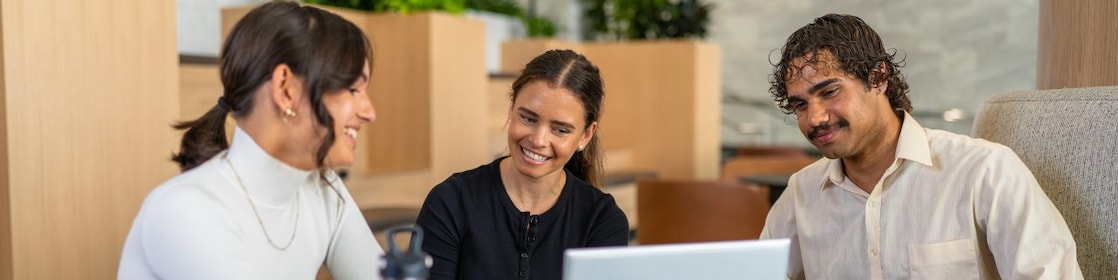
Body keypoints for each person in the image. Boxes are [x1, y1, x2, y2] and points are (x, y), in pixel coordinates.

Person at [759, 14, 1082, 279]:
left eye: (829, 92)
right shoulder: (802, 194)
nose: (814, 118)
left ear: (878, 78)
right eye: (800, 105)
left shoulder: (985, 170)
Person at [118, 2, 383, 279]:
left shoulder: (324, 190)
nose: (369, 112)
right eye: (353, 90)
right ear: (286, 90)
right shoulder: (183, 210)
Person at [414, 49, 629, 280]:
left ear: (586, 135)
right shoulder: (451, 201)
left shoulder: (602, 220)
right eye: (528, 118)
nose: (538, 140)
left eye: (560, 130)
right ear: (511, 109)